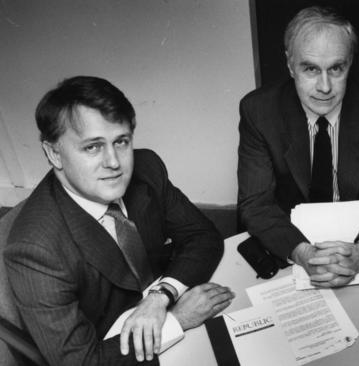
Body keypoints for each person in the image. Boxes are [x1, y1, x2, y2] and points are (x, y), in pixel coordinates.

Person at [4, 76, 235, 365]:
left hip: (161, 302)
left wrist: (160, 297)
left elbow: (203, 236)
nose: (114, 162)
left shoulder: (147, 168)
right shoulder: (35, 250)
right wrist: (177, 320)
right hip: (116, 349)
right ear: (54, 153)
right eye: (92, 147)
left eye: (121, 141)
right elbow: (80, 362)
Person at [237, 6, 359, 288]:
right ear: (289, 64)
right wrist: (303, 254)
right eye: (310, 68)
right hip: (289, 241)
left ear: (350, 63)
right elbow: (256, 203)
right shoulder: (259, 111)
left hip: (357, 238)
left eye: (336, 68)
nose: (325, 86)